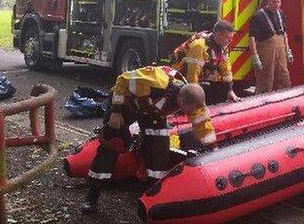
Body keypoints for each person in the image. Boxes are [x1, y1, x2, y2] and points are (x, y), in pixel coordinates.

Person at [81, 67, 216, 213]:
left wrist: (211, 147)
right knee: (113, 143)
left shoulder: (194, 101)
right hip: (126, 104)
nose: (188, 114)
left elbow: (203, 123)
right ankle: (92, 197)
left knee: (159, 150)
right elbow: (122, 79)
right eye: (186, 110)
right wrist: (116, 111)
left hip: (150, 113)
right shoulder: (156, 82)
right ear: (181, 101)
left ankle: (151, 196)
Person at [171, 20, 240, 104]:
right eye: (228, 37)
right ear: (218, 34)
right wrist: (195, 99)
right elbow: (192, 74)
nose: (231, 40)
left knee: (218, 85)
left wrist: (230, 90)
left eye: (231, 37)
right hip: (180, 78)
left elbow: (226, 69)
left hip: (198, 75)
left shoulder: (222, 45)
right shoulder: (199, 46)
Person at [248, 0, 293, 93]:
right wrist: (255, 57)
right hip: (265, 50)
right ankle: (262, 101)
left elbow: (284, 33)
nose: (277, 5)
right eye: (274, 2)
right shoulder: (259, 16)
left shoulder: (281, 14)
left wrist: (288, 50)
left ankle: (284, 100)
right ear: (268, 1)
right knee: (266, 77)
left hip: (281, 49)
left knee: (284, 75)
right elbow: (251, 37)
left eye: (279, 2)